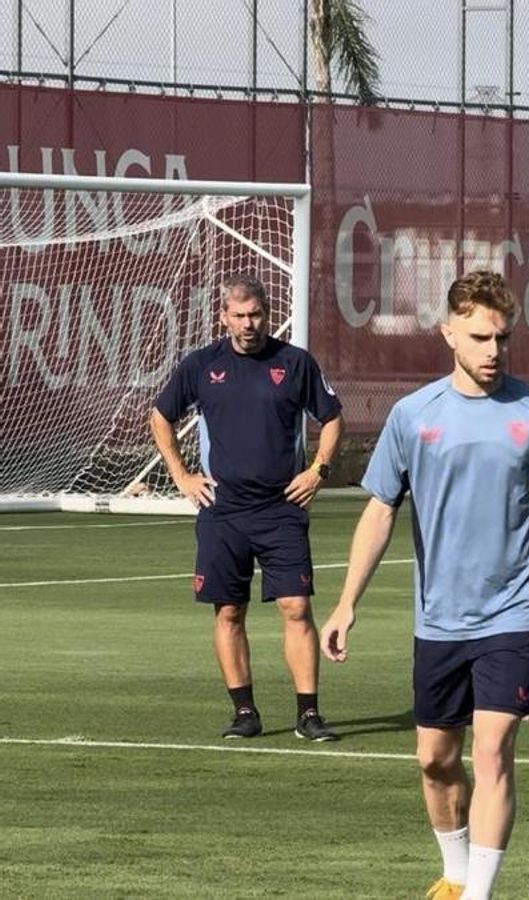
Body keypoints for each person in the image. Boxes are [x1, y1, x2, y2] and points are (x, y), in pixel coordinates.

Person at [319, 270, 529, 900]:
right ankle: (455, 874)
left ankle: (479, 895)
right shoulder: (412, 415)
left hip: (515, 613)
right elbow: (380, 510)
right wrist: (345, 604)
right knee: (434, 760)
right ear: (448, 334)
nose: (493, 350)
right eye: (479, 337)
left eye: (502, 337)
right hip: (439, 620)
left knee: (493, 751)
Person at [150, 273, 344, 742]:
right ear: (223, 317)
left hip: (281, 509)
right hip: (223, 512)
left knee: (296, 607)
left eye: (255, 314)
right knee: (229, 612)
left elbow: (332, 417)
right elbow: (160, 417)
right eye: (238, 315)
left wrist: (317, 470)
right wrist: (181, 475)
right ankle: (244, 712)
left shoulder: (294, 362)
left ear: (267, 314)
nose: (248, 324)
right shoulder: (201, 365)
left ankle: (308, 714)